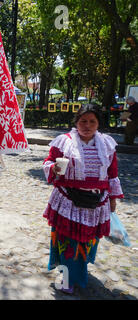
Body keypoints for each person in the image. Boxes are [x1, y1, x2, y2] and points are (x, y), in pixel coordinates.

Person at [42, 104, 124, 294]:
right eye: (83, 121)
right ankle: (67, 279)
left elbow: (112, 174)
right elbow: (48, 162)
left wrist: (112, 199)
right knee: (67, 241)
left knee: (88, 241)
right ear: (76, 122)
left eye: (92, 121)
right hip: (68, 201)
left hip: (97, 204)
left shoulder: (108, 145)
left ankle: (79, 269)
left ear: (98, 124)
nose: (87, 125)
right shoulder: (63, 142)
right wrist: (53, 168)